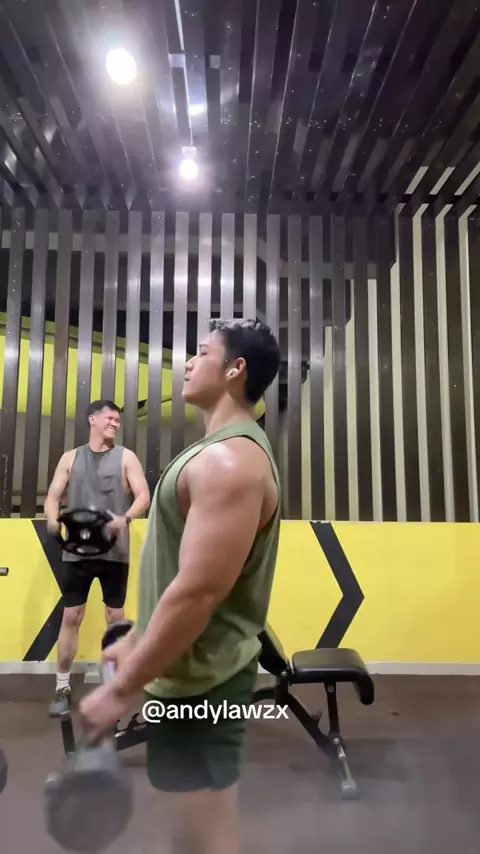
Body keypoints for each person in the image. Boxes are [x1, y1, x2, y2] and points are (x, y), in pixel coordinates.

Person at [80, 319, 282, 854]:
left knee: (203, 836)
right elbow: (181, 575)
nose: (188, 363)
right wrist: (139, 637)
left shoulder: (230, 462)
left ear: (235, 369)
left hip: (204, 682)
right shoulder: (217, 452)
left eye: (202, 352)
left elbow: (197, 594)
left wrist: (120, 690)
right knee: (192, 832)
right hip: (189, 673)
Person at [44, 399, 150, 718]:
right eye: (110, 418)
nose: (115, 424)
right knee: (72, 615)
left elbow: (143, 495)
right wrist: (52, 520)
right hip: (77, 552)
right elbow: (53, 496)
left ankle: (115, 687)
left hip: (114, 552)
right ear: (92, 420)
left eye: (118, 420)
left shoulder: (126, 457)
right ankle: (62, 687)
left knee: (115, 618)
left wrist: (125, 518)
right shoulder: (70, 458)